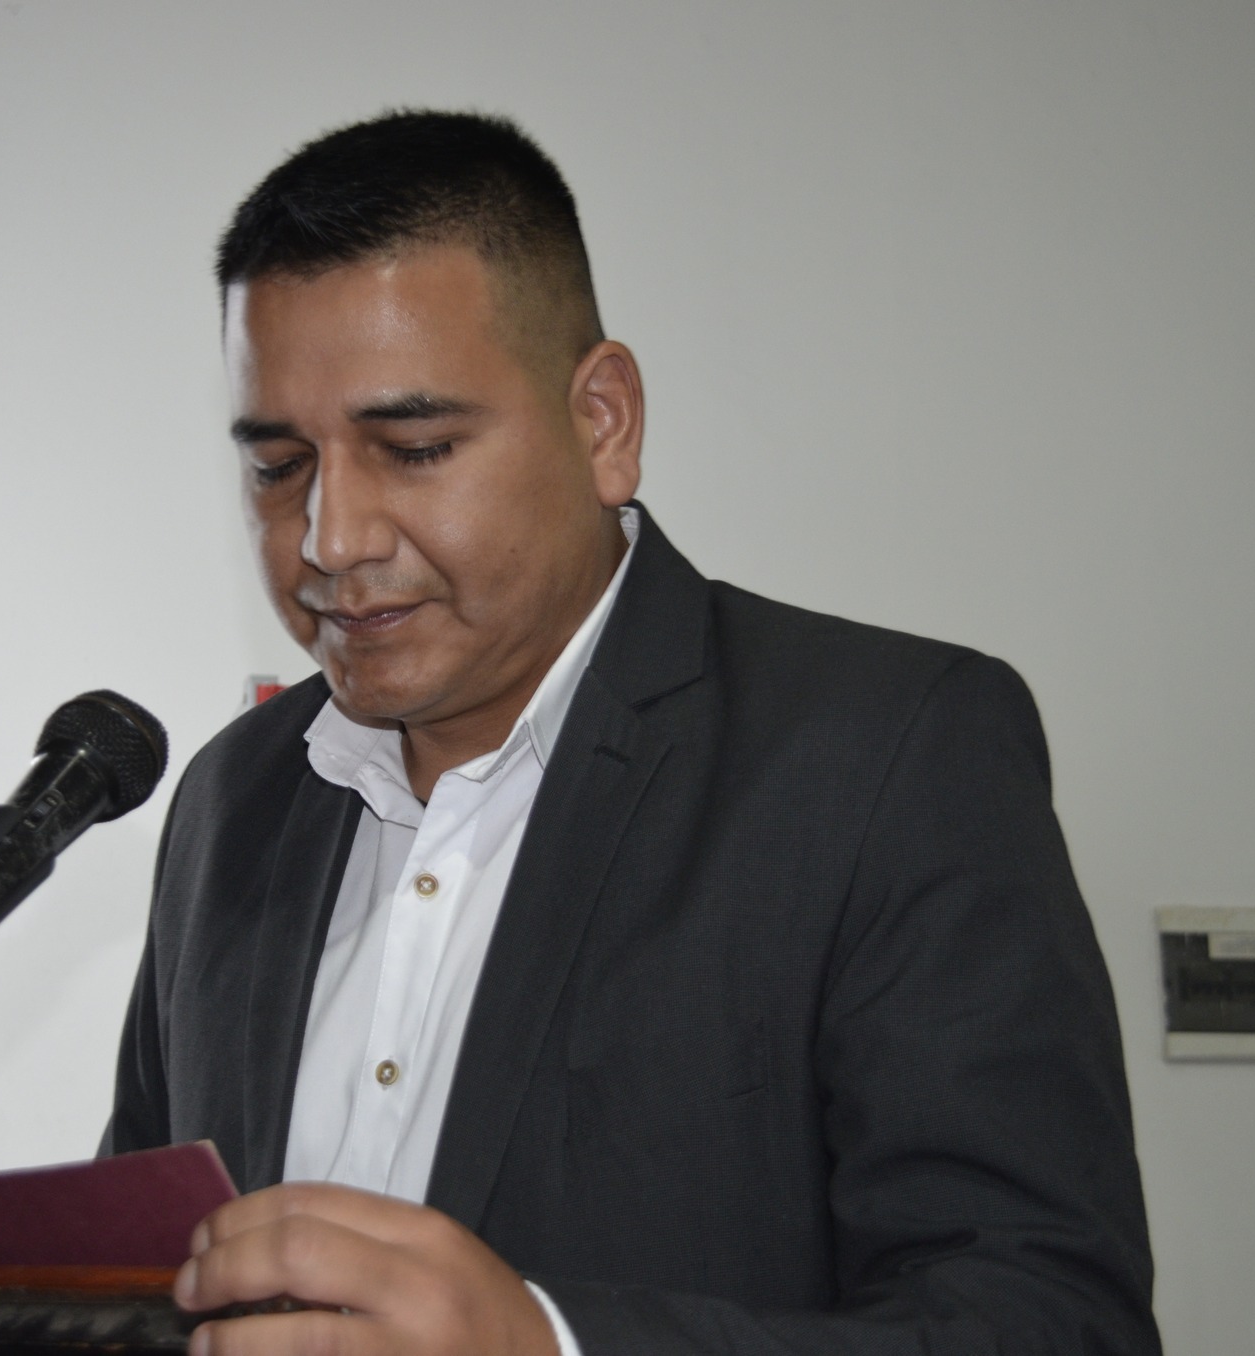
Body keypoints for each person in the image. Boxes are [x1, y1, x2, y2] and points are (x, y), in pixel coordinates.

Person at [102, 110, 1158, 1356]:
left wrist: (546, 1344)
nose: (331, 538)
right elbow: (145, 1276)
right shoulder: (230, 799)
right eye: (280, 467)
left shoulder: (888, 756)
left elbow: (1048, 1322)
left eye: (414, 448)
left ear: (602, 422)